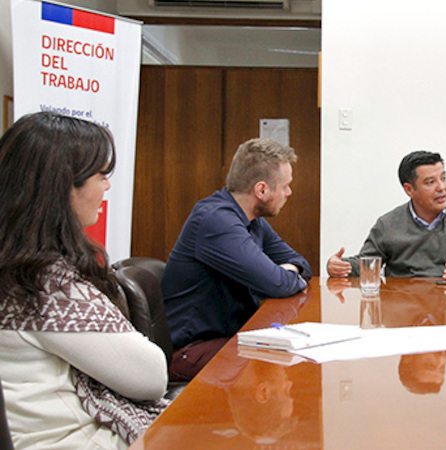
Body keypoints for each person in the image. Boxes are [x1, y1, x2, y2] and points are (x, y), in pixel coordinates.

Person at [0, 112, 168, 448]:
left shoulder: (14, 267)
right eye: (101, 175)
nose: (107, 186)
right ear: (62, 186)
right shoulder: (41, 283)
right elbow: (151, 377)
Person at [163, 138, 313, 381]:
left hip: (229, 337)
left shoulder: (253, 220)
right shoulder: (216, 220)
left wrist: (288, 271)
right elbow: (277, 284)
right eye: (285, 186)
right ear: (262, 190)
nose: (289, 193)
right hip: (192, 350)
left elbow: (300, 263)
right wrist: (286, 274)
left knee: (298, 353)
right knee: (280, 361)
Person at [326, 150, 446, 280]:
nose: (441, 187)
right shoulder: (388, 224)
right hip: (405, 304)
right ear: (409, 190)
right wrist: (339, 266)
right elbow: (367, 263)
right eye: (430, 182)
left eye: (443, 178)